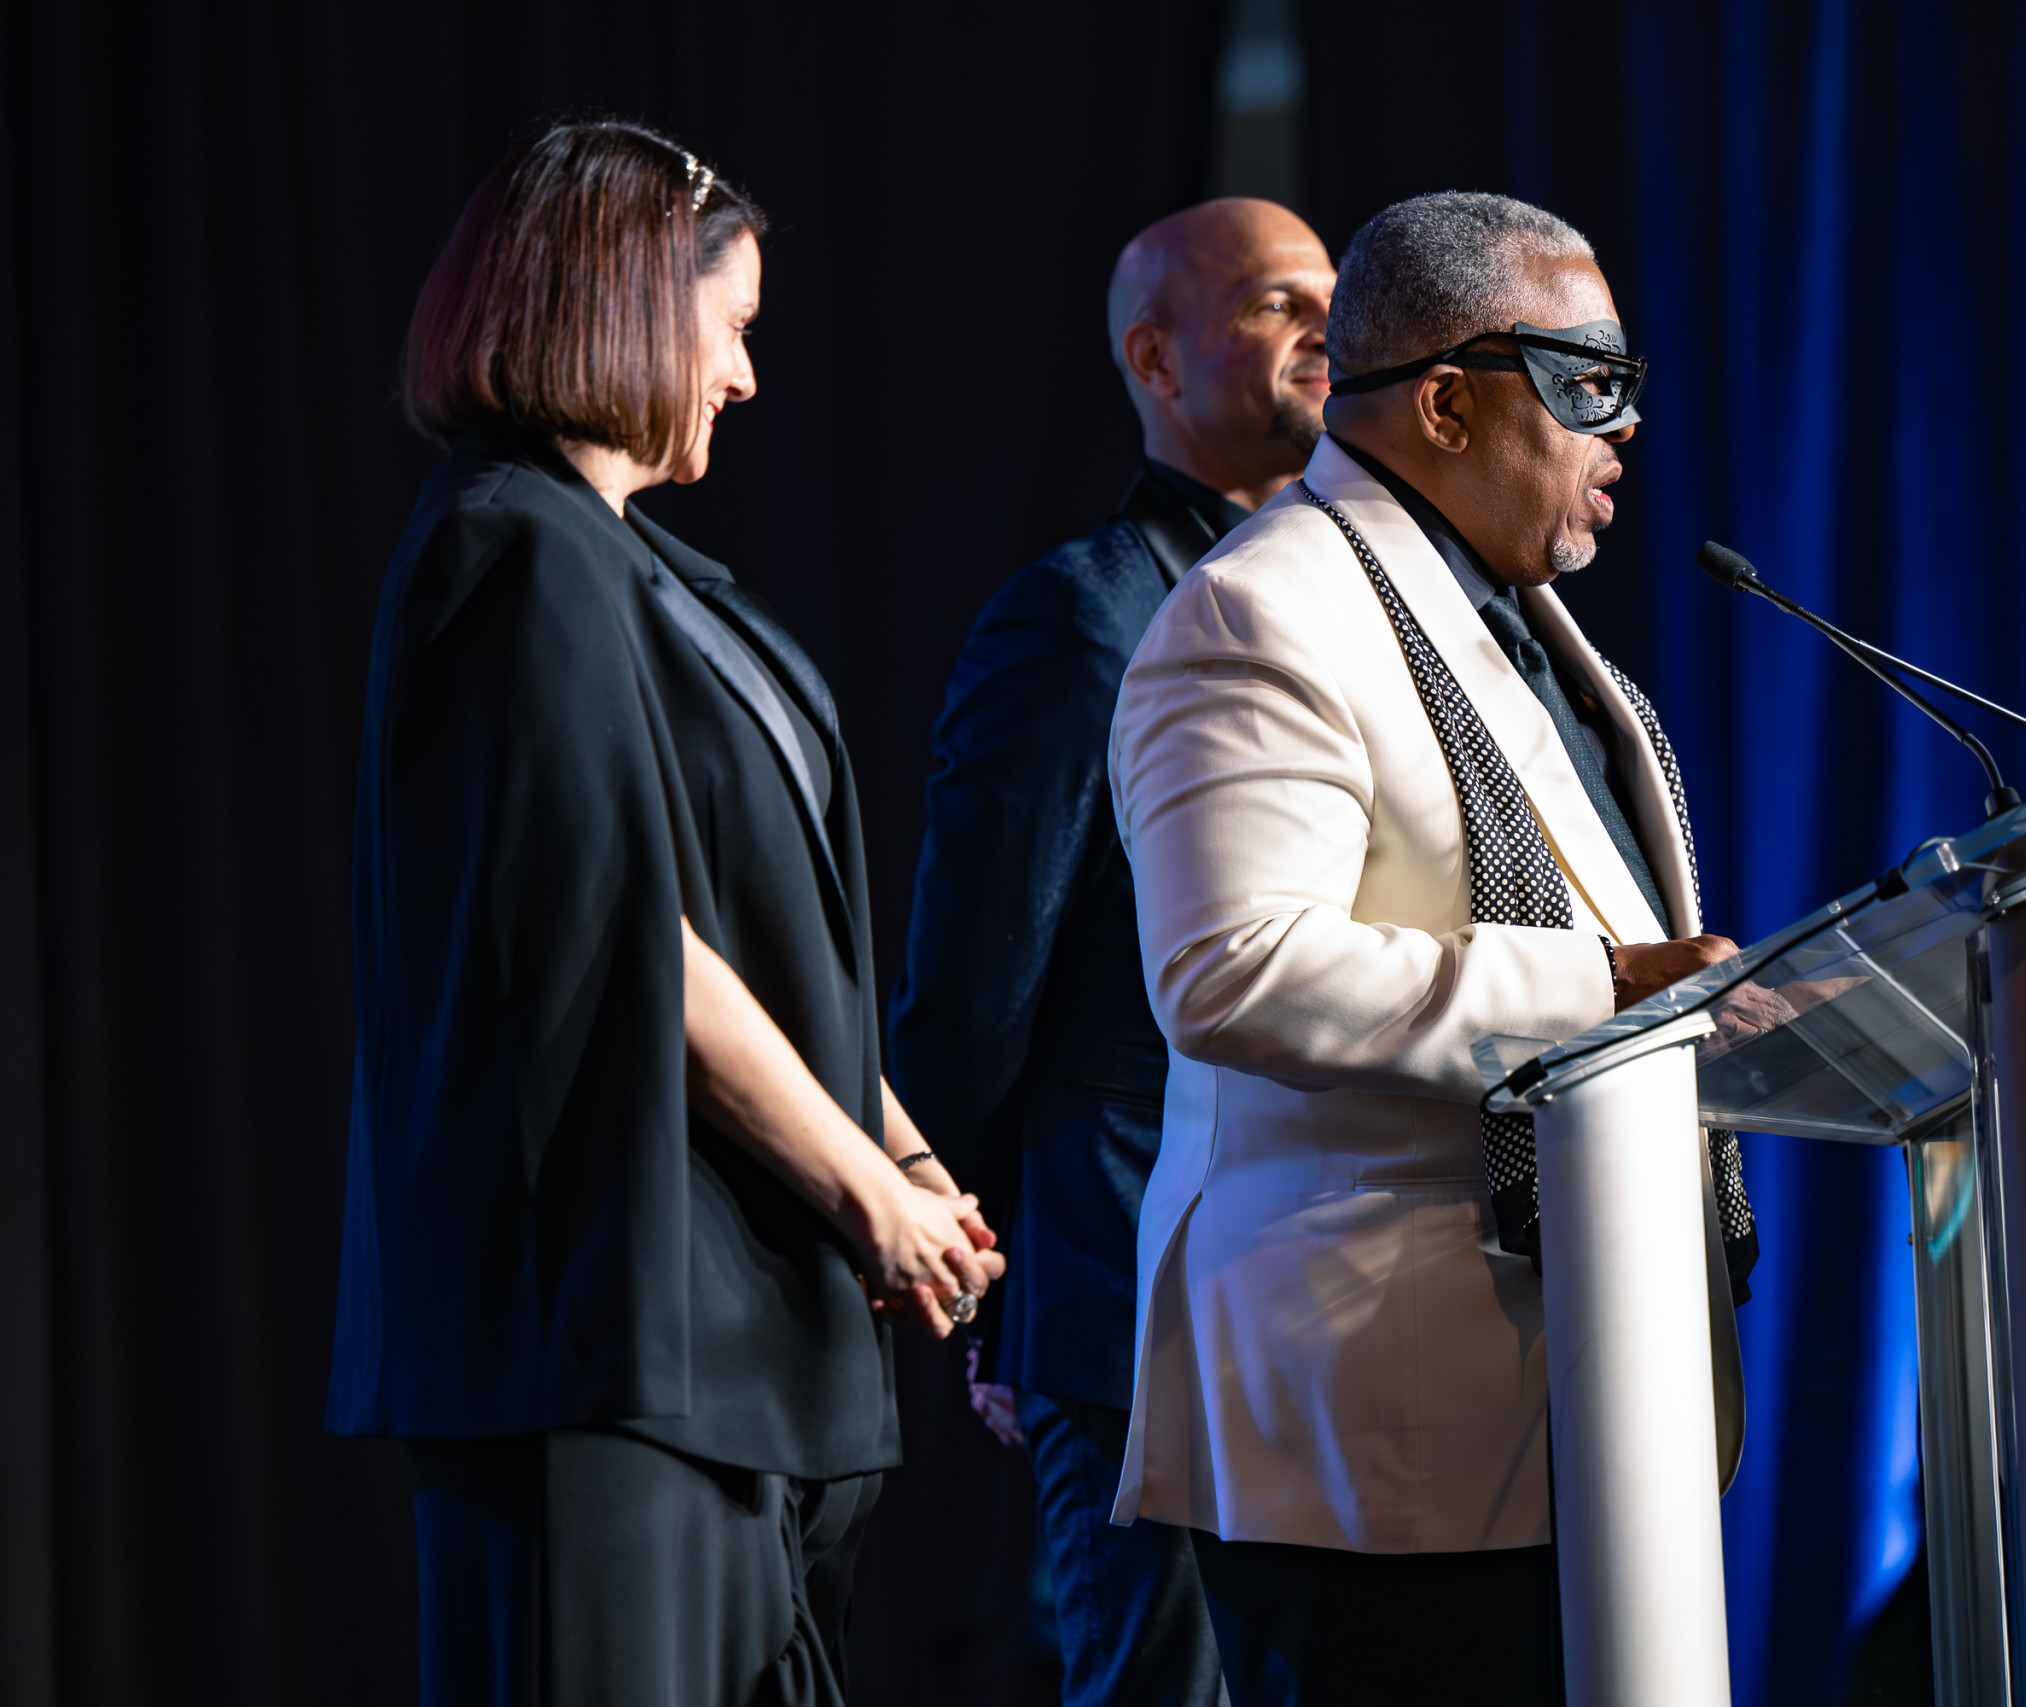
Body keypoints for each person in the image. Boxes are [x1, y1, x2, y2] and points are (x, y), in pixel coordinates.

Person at [325, 120, 1001, 1707]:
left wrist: (898, 1153)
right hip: (611, 1327)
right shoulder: (509, 546)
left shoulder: (646, 571)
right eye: (736, 326)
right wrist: (864, 1189)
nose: (749, 377)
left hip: (735, 1347)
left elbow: (766, 944)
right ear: (629, 301)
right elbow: (623, 940)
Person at [1105, 191, 1761, 1707]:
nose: (1625, 429)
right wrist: (1600, 992)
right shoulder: (1257, 613)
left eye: (1629, 384)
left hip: (1582, 1394)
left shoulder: (1520, 621)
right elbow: (1230, 969)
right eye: (1587, 381)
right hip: (1382, 1436)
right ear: (1448, 403)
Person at [889, 197, 1334, 1707]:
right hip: (1132, 1300)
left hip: (1330, 1299)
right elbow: (973, 987)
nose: (1327, 330)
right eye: (1280, 302)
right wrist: (991, 1267)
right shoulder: (1086, 619)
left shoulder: (1353, 618)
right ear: (1157, 357)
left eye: (1334, 297)